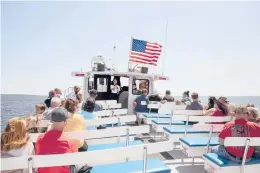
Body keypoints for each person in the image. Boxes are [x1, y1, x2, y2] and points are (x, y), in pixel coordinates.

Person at [35, 108, 79, 173]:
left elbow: (38, 153)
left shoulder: (40, 138)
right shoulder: (71, 140)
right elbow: (76, 159)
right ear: (65, 122)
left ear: (52, 121)